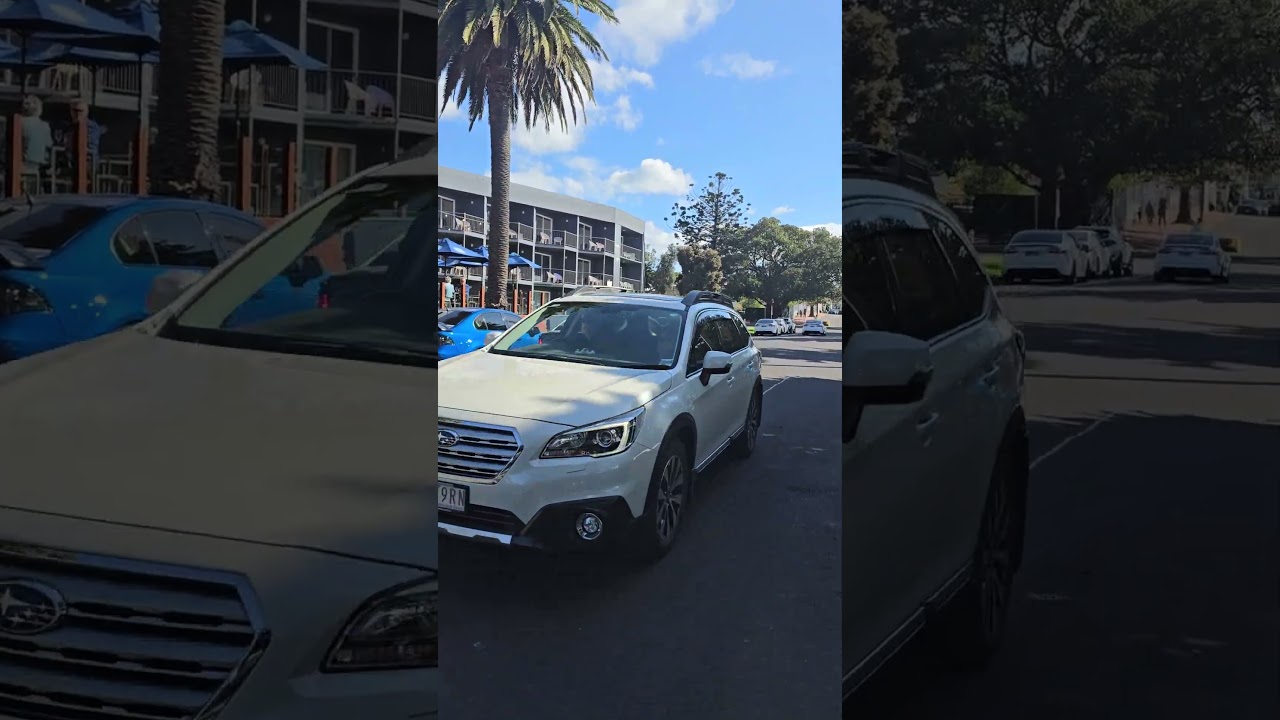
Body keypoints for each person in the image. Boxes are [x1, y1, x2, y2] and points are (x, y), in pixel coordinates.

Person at [19, 95, 52, 194]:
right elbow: (49, 144)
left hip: (21, 164)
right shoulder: (45, 126)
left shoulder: (19, 122)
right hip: (37, 166)